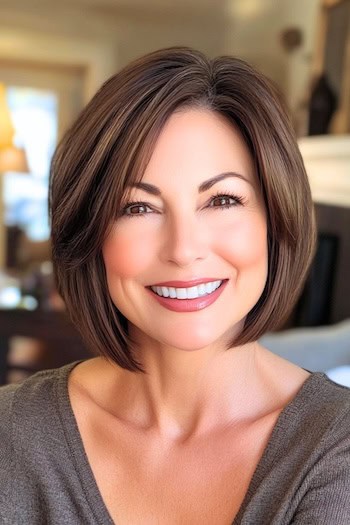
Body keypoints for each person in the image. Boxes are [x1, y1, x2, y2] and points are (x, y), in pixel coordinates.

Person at [0, 47, 349, 525]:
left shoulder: (336, 453)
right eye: (138, 208)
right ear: (91, 234)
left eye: (223, 199)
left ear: (276, 218)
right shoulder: (10, 434)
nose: (184, 249)